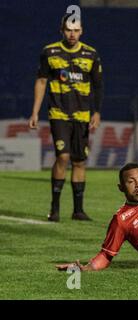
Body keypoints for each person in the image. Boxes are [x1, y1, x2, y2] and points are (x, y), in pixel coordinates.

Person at [28, 13, 104, 222]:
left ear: (82, 30)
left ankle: (78, 210)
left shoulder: (91, 54)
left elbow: (98, 86)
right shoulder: (50, 52)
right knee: (63, 156)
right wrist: (35, 111)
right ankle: (55, 208)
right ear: (62, 30)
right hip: (58, 112)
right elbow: (41, 81)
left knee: (79, 161)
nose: (72, 34)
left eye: (76, 30)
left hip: (82, 115)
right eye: (69, 30)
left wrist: (96, 112)